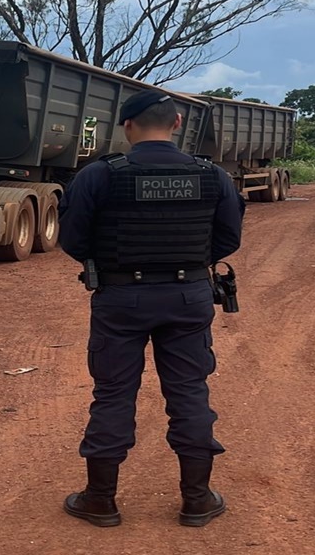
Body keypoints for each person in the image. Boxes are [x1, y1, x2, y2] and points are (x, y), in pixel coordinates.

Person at [58, 89, 245, 528]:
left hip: (121, 298)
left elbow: (73, 241)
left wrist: (116, 263)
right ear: (177, 123)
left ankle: (100, 501)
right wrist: (187, 263)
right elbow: (228, 239)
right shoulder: (211, 175)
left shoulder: (99, 175)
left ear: (127, 127)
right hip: (188, 296)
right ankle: (197, 501)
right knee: (189, 393)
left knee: (113, 395)